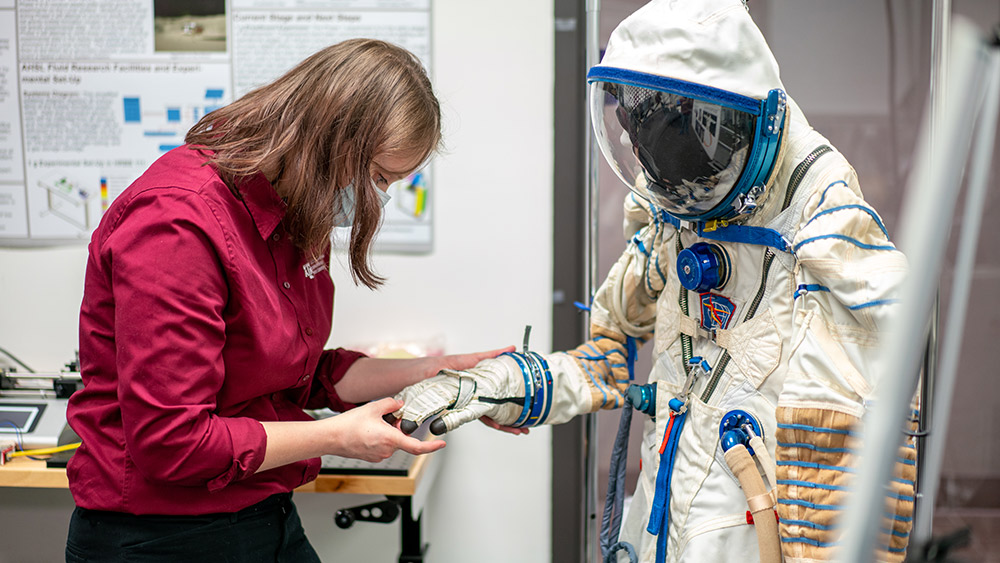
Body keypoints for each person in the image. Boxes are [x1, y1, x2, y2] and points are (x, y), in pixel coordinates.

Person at [394, 2, 917, 562]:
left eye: (689, 162)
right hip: (657, 519)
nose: (673, 182)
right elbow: (606, 360)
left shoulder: (821, 220)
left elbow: (840, 467)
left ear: (739, 125)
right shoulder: (675, 208)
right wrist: (500, 385)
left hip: (748, 532)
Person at [65, 38, 508, 562]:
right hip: (160, 537)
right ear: (330, 140)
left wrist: (435, 373)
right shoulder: (177, 222)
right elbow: (172, 442)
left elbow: (302, 376)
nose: (380, 198)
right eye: (378, 177)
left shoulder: (294, 205)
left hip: (264, 513)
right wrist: (336, 437)